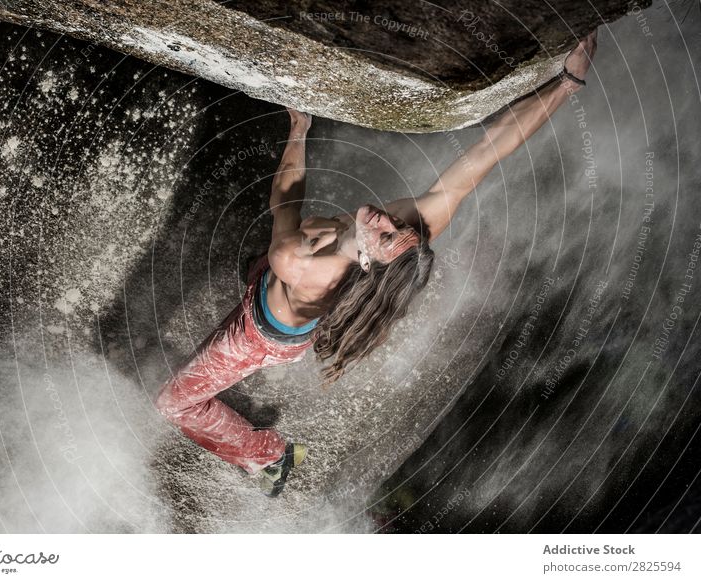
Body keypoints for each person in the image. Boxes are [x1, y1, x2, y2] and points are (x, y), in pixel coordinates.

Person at [155, 32, 597, 496]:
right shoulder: (398, 234)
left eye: (384, 235)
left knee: (175, 404)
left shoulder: (297, 262)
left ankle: (271, 456)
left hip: (260, 333)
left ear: (368, 262)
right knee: (268, 260)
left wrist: (299, 128)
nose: (386, 219)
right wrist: (567, 83)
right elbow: (485, 156)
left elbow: (285, 197)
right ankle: (259, 277)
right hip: (280, 282)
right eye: (394, 227)